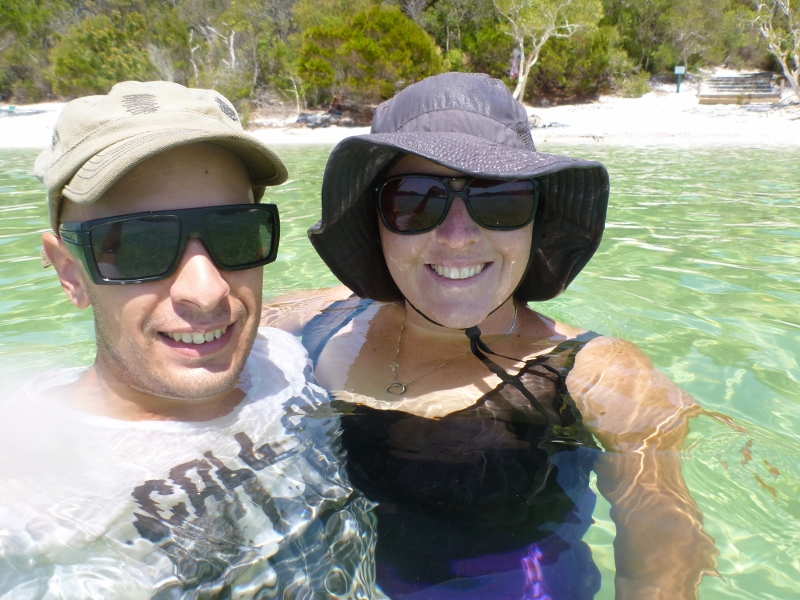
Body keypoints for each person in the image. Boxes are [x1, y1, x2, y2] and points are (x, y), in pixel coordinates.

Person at [263, 73, 718, 599]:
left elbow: (666, 552)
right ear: (376, 220)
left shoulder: (595, 373)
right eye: (415, 200)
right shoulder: (316, 317)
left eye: (499, 199)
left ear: (536, 220)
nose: (457, 236)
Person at [0, 81, 378, 599]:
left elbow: (295, 308)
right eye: (138, 243)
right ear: (69, 272)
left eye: (235, 234)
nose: (208, 292)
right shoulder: (29, 497)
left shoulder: (282, 356)